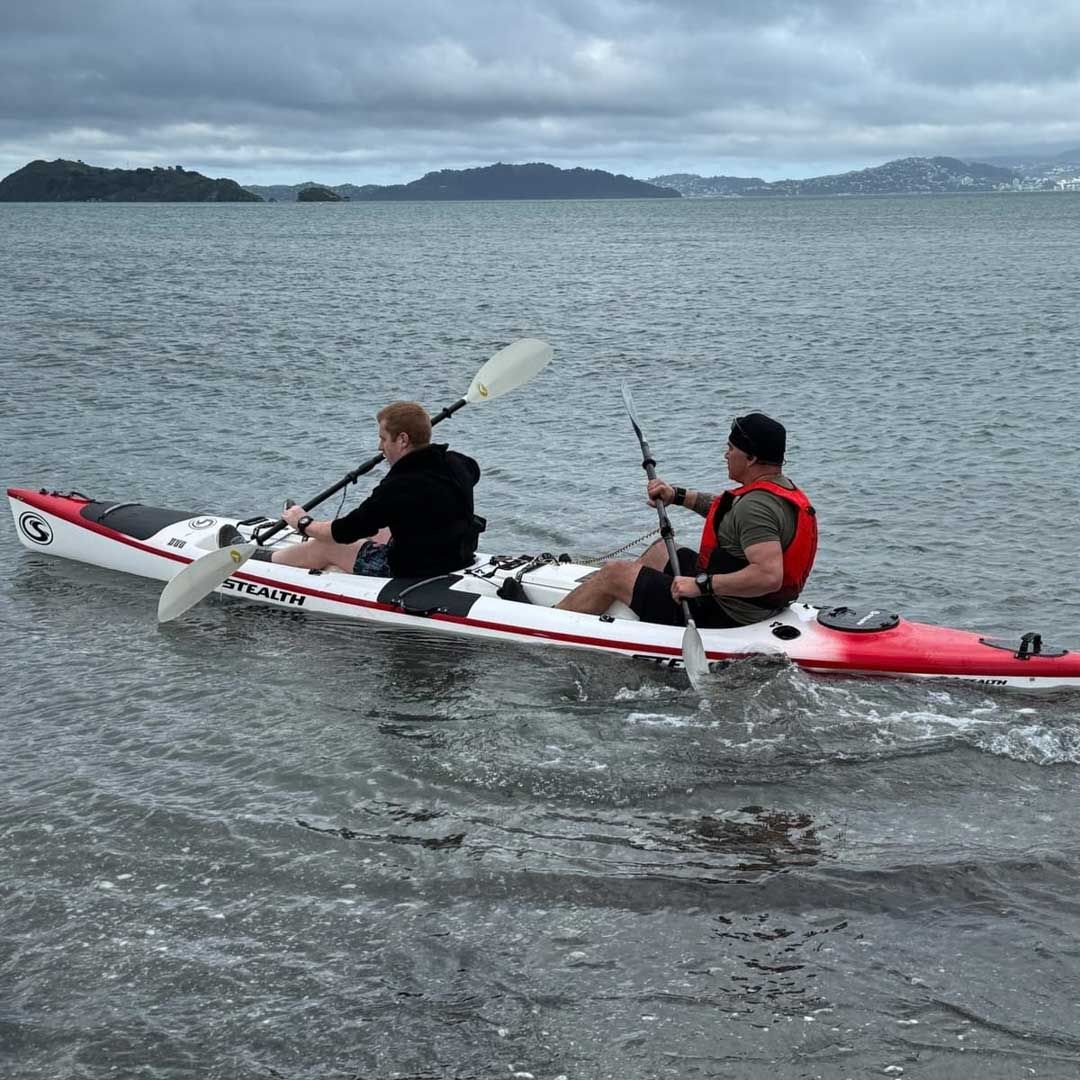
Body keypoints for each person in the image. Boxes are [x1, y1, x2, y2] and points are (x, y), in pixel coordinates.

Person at [550, 412, 817, 627]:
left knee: (614, 573)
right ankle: (623, 611)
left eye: (731, 448)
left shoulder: (756, 508)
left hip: (727, 614)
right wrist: (676, 495)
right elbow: (728, 511)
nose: (726, 454)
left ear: (752, 458)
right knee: (659, 552)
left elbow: (768, 577)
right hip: (753, 604)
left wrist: (700, 585)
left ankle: (554, 621)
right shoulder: (779, 491)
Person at [220, 401, 483, 578]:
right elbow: (469, 476)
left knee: (325, 546)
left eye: (382, 438)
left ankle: (255, 561)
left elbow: (343, 532)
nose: (380, 447)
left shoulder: (399, 486)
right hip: (456, 556)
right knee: (383, 527)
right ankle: (330, 568)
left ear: (403, 440)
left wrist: (302, 522)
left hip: (411, 568)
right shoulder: (459, 463)